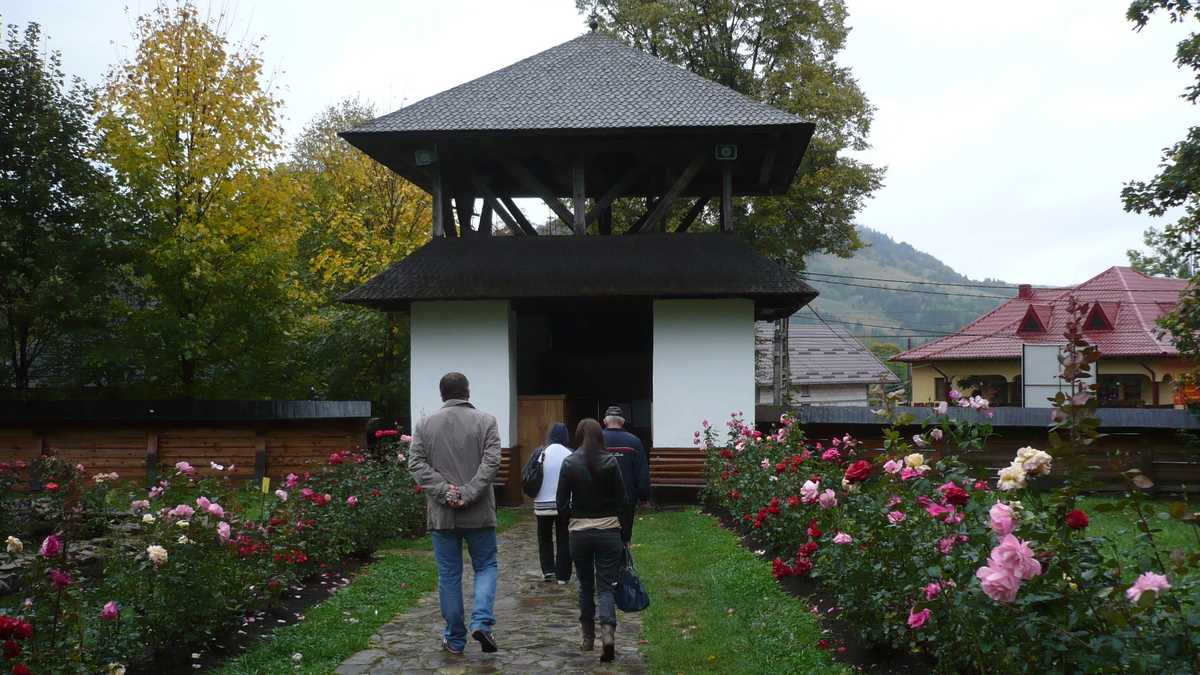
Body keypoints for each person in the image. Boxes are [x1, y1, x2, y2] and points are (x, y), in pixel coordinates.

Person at [408, 372, 502, 656]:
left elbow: (415, 463)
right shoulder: (487, 421)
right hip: (479, 514)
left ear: (442, 394)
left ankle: (455, 639)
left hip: (442, 516)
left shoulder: (425, 425)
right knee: (485, 566)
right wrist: (469, 491)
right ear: (468, 392)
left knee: (449, 575)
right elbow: (491, 461)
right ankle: (482, 621)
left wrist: (444, 491)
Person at [556, 418, 627, 663]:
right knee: (606, 586)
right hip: (608, 531)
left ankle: (588, 637)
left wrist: (570, 524)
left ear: (577, 436)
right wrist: (624, 534)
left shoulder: (569, 462)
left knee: (586, 586)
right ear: (600, 436)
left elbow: (561, 504)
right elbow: (623, 501)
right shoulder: (610, 462)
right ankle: (608, 632)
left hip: (580, 532)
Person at [601, 405, 649, 546]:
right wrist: (644, 497)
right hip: (627, 497)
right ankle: (623, 560)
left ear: (605, 421)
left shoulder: (596, 441)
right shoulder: (634, 442)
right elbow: (642, 473)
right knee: (624, 534)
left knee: (603, 532)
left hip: (600, 496)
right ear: (622, 422)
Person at [532, 422, 573, 584]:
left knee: (544, 537)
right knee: (564, 538)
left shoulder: (541, 453)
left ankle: (548, 570)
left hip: (542, 504)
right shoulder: (570, 453)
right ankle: (563, 575)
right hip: (563, 504)